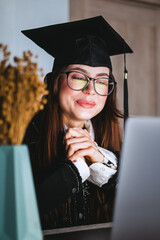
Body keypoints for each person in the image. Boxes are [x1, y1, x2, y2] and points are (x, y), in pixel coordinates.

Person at [22, 16, 133, 229]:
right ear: (53, 83)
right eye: (78, 77)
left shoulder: (112, 142)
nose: (90, 89)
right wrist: (73, 170)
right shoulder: (20, 139)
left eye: (101, 81)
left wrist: (102, 162)